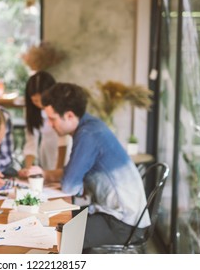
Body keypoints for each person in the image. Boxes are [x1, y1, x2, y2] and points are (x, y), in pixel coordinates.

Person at [25, 82, 150, 250]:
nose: (49, 124)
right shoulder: (90, 126)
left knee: (57, 237)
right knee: (53, 222)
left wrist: (61, 178)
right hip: (122, 214)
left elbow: (69, 185)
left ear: (69, 116)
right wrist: (47, 174)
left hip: (124, 222)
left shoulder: (87, 134)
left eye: (52, 119)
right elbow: (72, 176)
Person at [18, 71, 71, 178]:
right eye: (35, 101)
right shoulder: (30, 111)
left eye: (42, 100)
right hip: (46, 151)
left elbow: (63, 140)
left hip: (64, 152)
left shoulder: (61, 107)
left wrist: (57, 171)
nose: (40, 104)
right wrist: (28, 168)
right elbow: (31, 141)